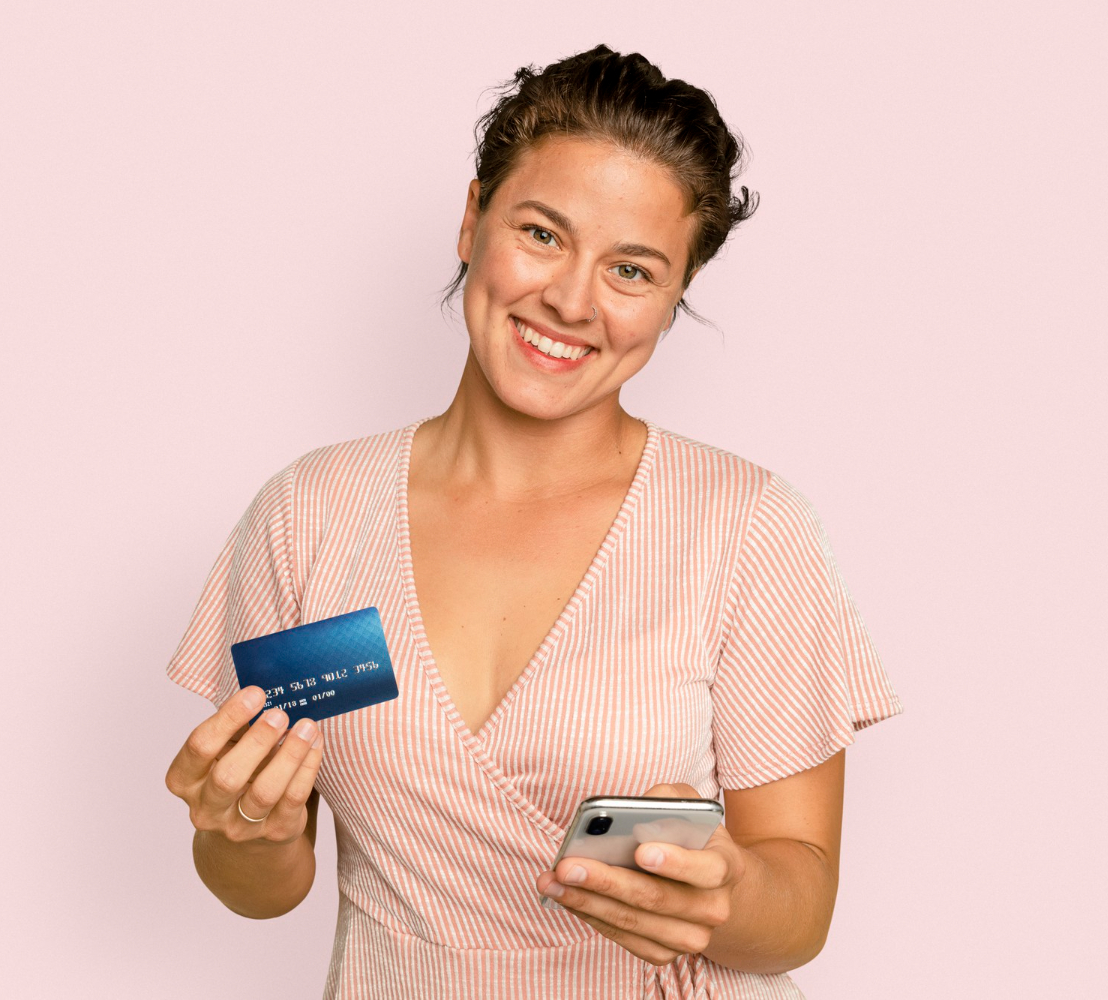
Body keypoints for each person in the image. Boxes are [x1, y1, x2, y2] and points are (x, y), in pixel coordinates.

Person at [163, 45, 903, 1000]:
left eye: (632, 269)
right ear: (473, 219)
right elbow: (263, 888)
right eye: (543, 234)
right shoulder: (311, 517)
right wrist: (240, 828)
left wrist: (731, 893)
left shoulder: (746, 529)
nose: (570, 299)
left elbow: (798, 909)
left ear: (674, 299)